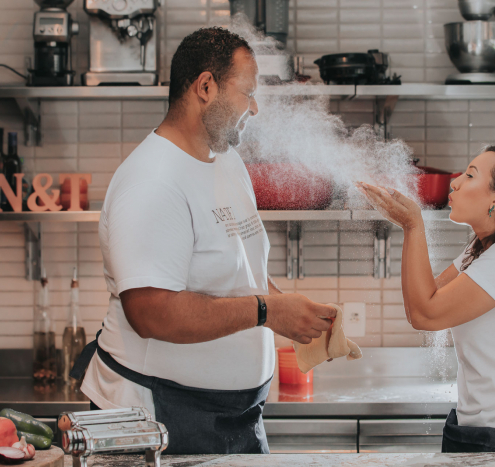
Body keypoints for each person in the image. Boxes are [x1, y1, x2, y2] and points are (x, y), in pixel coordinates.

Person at [71, 27, 336, 455]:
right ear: (206, 87)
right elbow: (151, 314)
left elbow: (238, 275)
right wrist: (268, 312)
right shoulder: (152, 181)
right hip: (159, 416)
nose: (254, 108)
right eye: (247, 92)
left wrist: (292, 314)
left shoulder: (226, 162)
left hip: (236, 417)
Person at [357, 146, 495, 453]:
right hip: (481, 432)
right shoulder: (482, 249)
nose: (456, 182)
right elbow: (423, 304)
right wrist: (409, 225)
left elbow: (426, 314)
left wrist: (413, 225)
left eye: (470, 175)